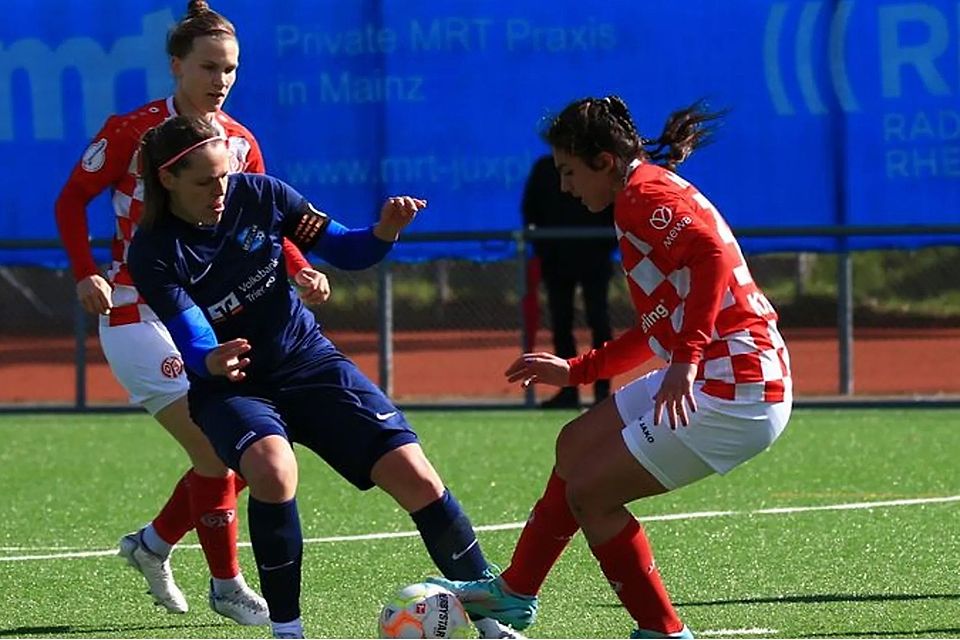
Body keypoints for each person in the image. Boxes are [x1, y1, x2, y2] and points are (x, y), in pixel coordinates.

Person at [126, 114, 522, 640]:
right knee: (271, 469)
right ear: (167, 181)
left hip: (308, 361)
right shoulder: (154, 249)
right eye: (204, 182)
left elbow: (347, 248)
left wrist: (384, 231)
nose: (220, 191)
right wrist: (211, 360)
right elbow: (192, 334)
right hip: (233, 386)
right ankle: (287, 631)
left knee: (417, 475)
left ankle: (492, 620)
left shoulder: (263, 195)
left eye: (224, 176)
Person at [430, 96, 793, 638]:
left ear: (603, 160)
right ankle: (514, 594)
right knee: (575, 444)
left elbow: (712, 255)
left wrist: (687, 360)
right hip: (724, 371)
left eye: (569, 171)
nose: (565, 187)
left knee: (592, 494)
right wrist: (577, 371)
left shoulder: (641, 195)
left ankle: (664, 632)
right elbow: (659, 324)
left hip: (736, 387)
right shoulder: (639, 194)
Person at [53, 1, 331, 624]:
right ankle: (227, 584)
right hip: (132, 308)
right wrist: (84, 272)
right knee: (219, 447)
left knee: (229, 445)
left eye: (230, 68)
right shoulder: (134, 131)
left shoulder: (239, 141)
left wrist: (299, 266)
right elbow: (71, 201)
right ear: (177, 65)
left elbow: (266, 217)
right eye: (208, 66)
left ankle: (153, 545)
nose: (221, 79)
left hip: (199, 315)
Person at [522, 154, 616, 408]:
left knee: (599, 320)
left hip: (595, 257)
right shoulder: (544, 168)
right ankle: (568, 390)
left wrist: (606, 243)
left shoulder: (595, 166)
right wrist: (544, 246)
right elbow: (530, 209)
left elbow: (612, 206)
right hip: (557, 260)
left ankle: (602, 391)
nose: (568, 184)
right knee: (561, 322)